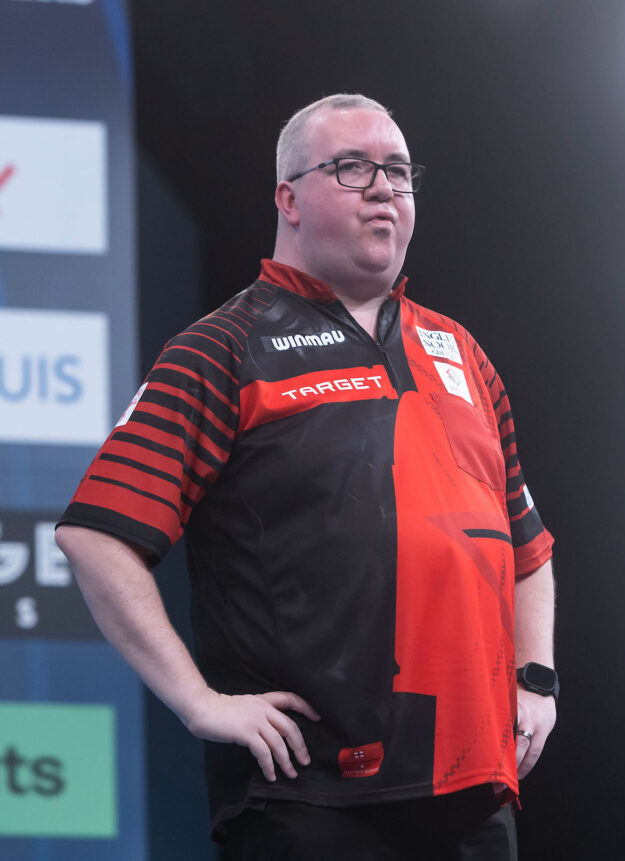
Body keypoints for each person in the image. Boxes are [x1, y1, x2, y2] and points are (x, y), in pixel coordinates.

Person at [55, 93, 557, 860]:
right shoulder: (222, 348)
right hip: (308, 794)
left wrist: (536, 678)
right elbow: (96, 535)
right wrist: (199, 702)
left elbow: (529, 547)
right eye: (353, 167)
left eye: (398, 170)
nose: (383, 187)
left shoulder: (462, 353)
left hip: (471, 789)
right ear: (288, 199)